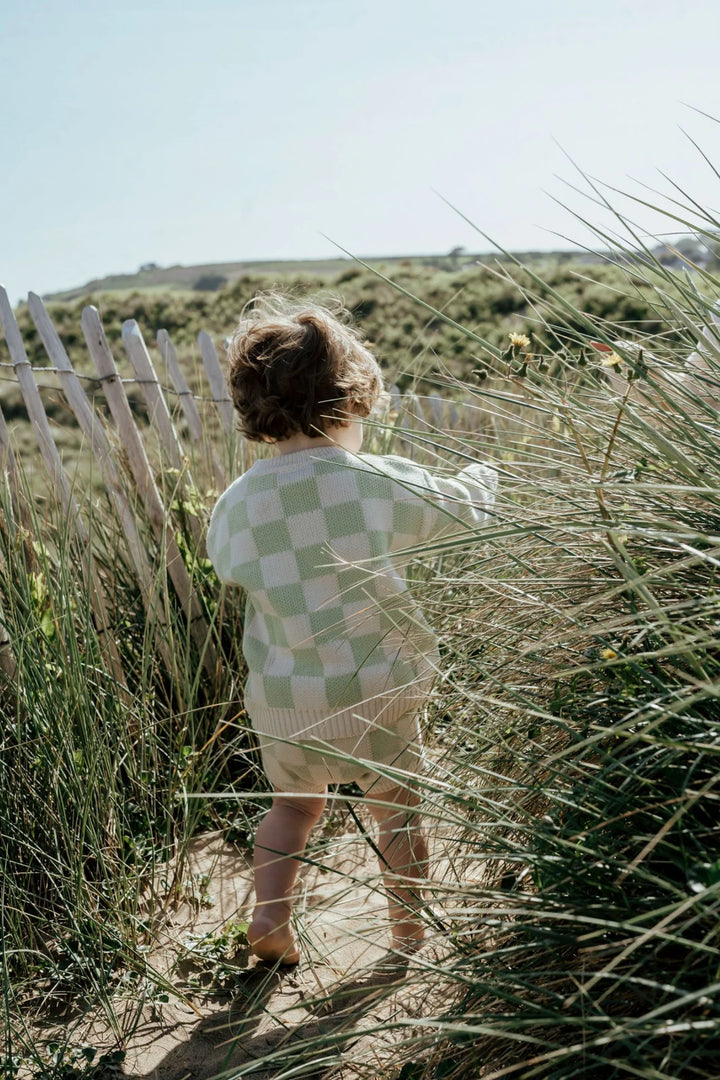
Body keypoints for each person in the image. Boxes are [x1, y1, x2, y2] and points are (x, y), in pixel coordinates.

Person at [206, 295, 497, 965]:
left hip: (286, 699)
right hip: (378, 687)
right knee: (396, 807)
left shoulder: (236, 505)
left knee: (291, 809)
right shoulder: (373, 482)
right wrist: (487, 478)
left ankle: (270, 918)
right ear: (350, 401)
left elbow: (225, 563)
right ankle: (407, 935)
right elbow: (459, 509)